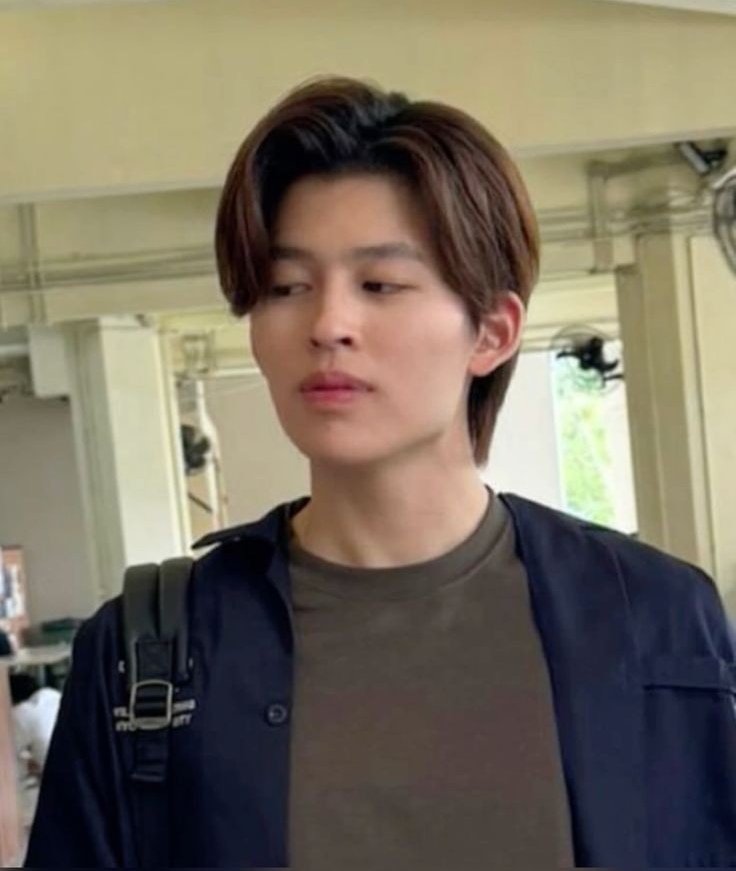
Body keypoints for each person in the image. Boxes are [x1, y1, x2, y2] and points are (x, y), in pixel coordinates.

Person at [25, 77, 736, 869]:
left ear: (492, 333)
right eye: (287, 287)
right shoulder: (145, 652)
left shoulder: (654, 617)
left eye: (380, 285)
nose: (328, 323)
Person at [9, 673, 62, 834]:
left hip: (57, 784)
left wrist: (26, 765)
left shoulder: (22, 712)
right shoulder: (56, 696)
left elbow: (7, 754)